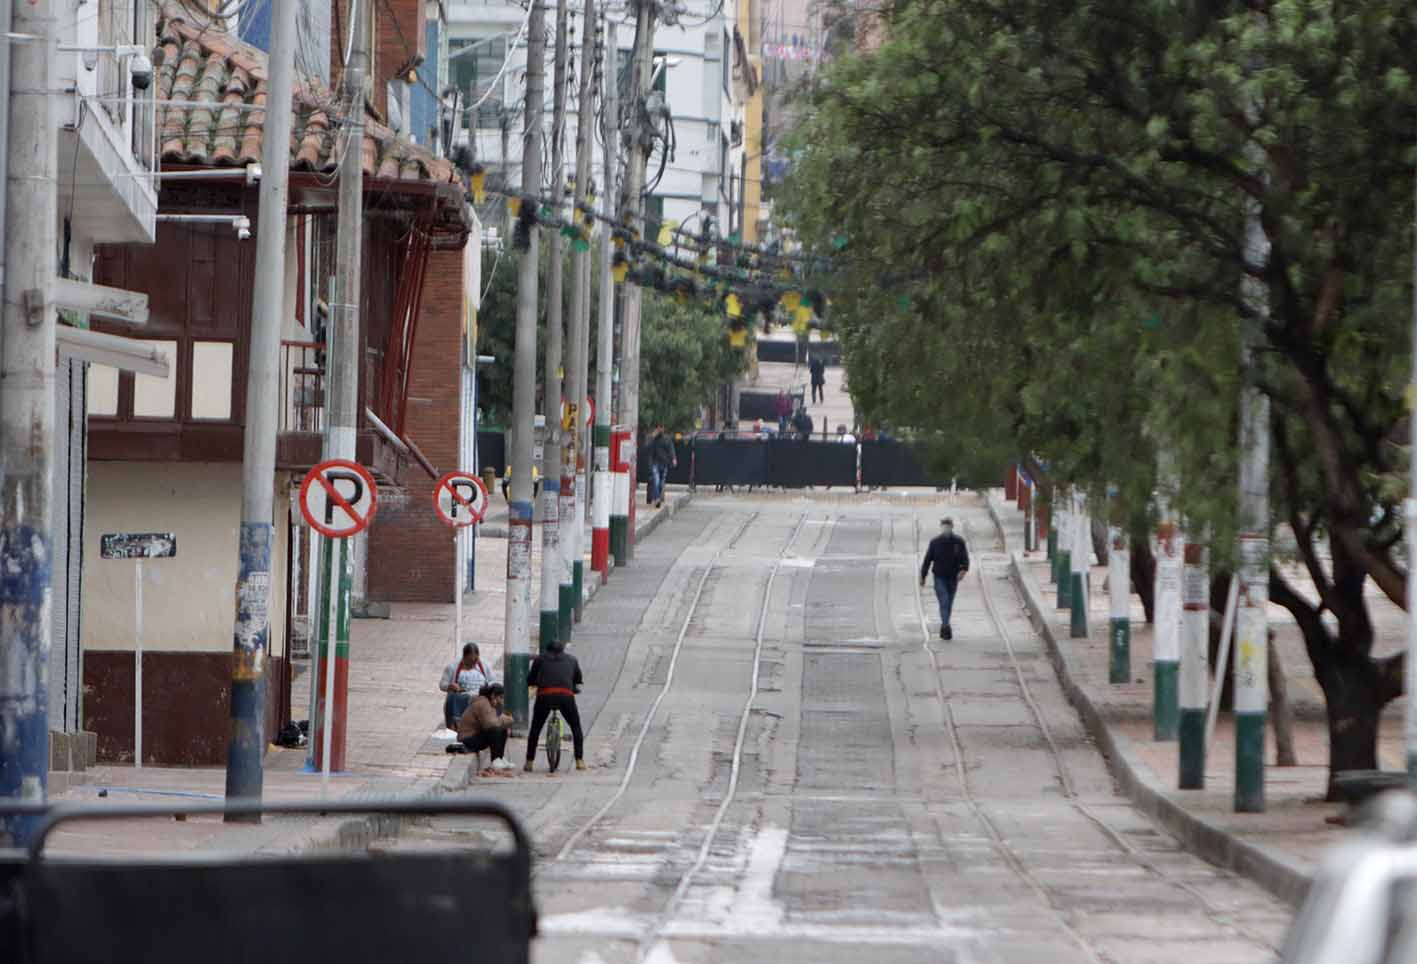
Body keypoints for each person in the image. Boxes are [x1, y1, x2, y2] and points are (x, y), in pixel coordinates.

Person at [524, 637, 585, 772]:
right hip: (565, 696)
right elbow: (578, 679)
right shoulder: (572, 660)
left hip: (544, 696)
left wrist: (534, 684)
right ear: (563, 650)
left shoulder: (540, 659)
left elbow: (531, 679)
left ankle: (529, 761)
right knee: (575, 726)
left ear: (547, 650)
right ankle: (579, 760)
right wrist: (573, 687)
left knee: (536, 728)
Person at [920, 517, 970, 640]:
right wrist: (923, 575)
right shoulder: (935, 542)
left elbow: (965, 560)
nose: (946, 528)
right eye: (944, 526)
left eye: (948, 526)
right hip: (939, 577)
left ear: (952, 527)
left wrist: (963, 571)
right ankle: (946, 626)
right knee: (944, 600)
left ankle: (944, 625)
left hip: (953, 578)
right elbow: (927, 560)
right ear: (941, 527)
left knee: (949, 603)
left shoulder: (959, 542)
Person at [454, 683, 515, 770]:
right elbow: (490, 723)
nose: (501, 701)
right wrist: (506, 720)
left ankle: (499, 757)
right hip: (467, 738)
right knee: (495, 731)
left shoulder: (490, 704)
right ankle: (495, 760)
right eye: (500, 697)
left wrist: (508, 720)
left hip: (474, 736)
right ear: (493, 696)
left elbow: (498, 718)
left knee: (502, 730)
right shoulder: (483, 703)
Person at [439, 643, 494, 730]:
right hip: (461, 697)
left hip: (479, 697)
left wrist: (487, 689)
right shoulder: (452, 667)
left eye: (475, 660)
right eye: (470, 660)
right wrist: (450, 686)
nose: (473, 662)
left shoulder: (485, 665)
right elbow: (442, 685)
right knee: (453, 699)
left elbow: (492, 682)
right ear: (464, 657)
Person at [647, 425, 677, 508]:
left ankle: (658, 497)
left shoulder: (667, 439)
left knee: (661, 483)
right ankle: (657, 498)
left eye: (661, 427)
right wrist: (652, 438)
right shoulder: (653, 439)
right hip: (655, 463)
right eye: (658, 427)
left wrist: (673, 459)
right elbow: (647, 448)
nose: (660, 429)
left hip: (664, 463)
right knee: (656, 480)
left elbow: (671, 449)